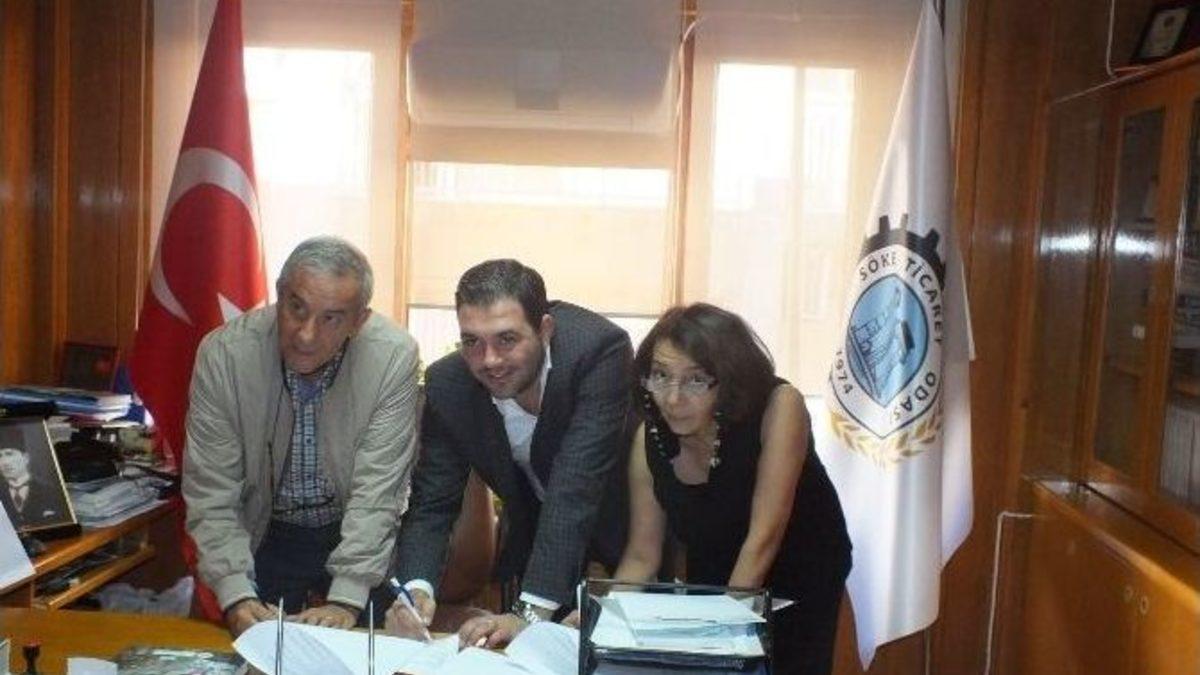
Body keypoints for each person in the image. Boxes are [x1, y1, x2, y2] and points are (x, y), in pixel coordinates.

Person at [459, 302, 852, 672]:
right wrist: (602, 613)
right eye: (660, 376)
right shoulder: (651, 440)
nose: (674, 398)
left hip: (800, 569)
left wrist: (721, 636)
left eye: (696, 380)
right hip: (717, 570)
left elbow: (763, 538)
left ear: (728, 381)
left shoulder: (780, 406)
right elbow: (642, 556)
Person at [182, 236, 421, 637]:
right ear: (279, 295)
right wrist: (235, 595)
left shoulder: (393, 356)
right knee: (249, 649)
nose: (306, 335)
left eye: (331, 318)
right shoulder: (224, 354)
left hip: (354, 528)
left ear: (359, 321)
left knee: (370, 650)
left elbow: (378, 490)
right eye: (297, 308)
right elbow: (211, 489)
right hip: (264, 530)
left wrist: (346, 599)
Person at [387, 259, 632, 643]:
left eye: (507, 339)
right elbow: (432, 502)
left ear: (545, 330)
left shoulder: (597, 350)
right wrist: (415, 591)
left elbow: (575, 487)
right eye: (472, 341)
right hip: (538, 547)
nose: (489, 360)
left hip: (627, 544)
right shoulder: (449, 384)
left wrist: (529, 614)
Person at [0, 438, 66, 530]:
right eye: (0, 456)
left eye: (9, 454)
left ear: (26, 458)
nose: (4, 462)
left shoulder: (51, 490)